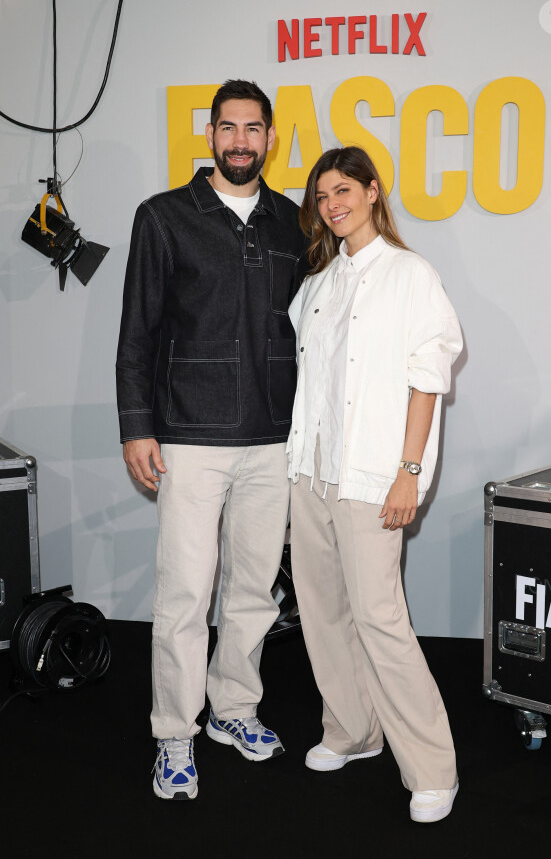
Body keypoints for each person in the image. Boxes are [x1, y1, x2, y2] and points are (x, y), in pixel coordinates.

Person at [116, 79, 306, 800]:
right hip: (189, 438)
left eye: (252, 129)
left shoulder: (292, 222)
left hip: (272, 440)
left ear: (270, 138)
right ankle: (174, 734)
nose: (239, 141)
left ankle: (234, 709)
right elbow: (137, 331)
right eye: (227, 128)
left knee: (254, 592)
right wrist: (137, 425)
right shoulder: (164, 218)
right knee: (187, 595)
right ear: (209, 136)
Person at [286, 146, 463, 823]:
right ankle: (352, 731)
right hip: (313, 472)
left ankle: (431, 768)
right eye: (322, 196)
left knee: (381, 619)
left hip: (372, 479)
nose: (332, 204)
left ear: (371, 190)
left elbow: (428, 378)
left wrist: (409, 473)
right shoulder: (320, 285)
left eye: (342, 190)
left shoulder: (411, 274)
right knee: (324, 614)